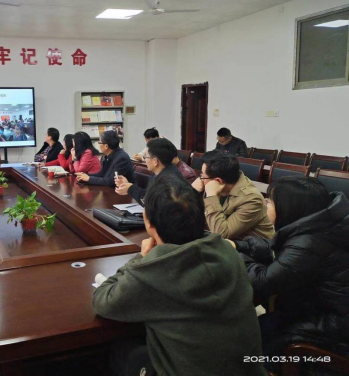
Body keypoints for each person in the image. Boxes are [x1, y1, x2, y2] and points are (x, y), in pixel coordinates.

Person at [93, 176, 266, 376]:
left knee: (120, 351)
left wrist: (141, 258)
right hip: (250, 369)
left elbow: (102, 300)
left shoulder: (153, 270)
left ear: (148, 222)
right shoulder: (228, 251)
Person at [232, 177, 349, 364]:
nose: (265, 203)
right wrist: (239, 245)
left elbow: (263, 282)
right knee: (252, 328)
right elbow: (276, 249)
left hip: (331, 325)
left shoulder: (310, 242)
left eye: (270, 201)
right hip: (315, 306)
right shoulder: (317, 226)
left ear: (288, 208)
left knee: (251, 343)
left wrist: (235, 255)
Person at [192, 150, 274, 240]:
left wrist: (211, 196)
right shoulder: (212, 185)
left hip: (249, 247)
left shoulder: (251, 199)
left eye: (202, 175)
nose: (200, 179)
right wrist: (193, 192)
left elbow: (221, 234)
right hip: (225, 243)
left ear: (218, 181)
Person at [115, 138, 186, 205]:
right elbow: (149, 194)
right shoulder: (159, 172)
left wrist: (131, 189)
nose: (145, 160)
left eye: (145, 157)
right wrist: (127, 185)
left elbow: (150, 203)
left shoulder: (168, 180)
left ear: (155, 161)